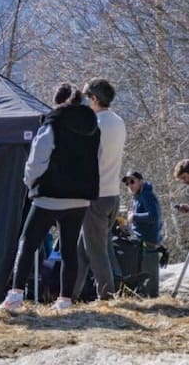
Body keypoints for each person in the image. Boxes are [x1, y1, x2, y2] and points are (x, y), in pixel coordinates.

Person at [0, 83, 100, 312]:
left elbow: (37, 159)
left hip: (49, 196)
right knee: (69, 250)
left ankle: (15, 296)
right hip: (80, 198)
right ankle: (64, 300)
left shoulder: (53, 123)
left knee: (27, 244)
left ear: (59, 102)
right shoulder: (94, 126)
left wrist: (30, 182)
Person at [72, 78, 126, 301]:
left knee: (97, 252)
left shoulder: (95, 124)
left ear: (94, 98)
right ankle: (70, 294)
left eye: (87, 98)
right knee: (83, 249)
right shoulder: (118, 121)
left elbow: (85, 160)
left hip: (96, 195)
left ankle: (106, 297)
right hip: (112, 194)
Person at [124, 171, 163, 246]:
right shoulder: (138, 196)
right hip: (141, 240)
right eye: (127, 183)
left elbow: (154, 216)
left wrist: (134, 217)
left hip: (147, 242)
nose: (130, 185)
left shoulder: (146, 195)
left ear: (141, 181)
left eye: (132, 181)